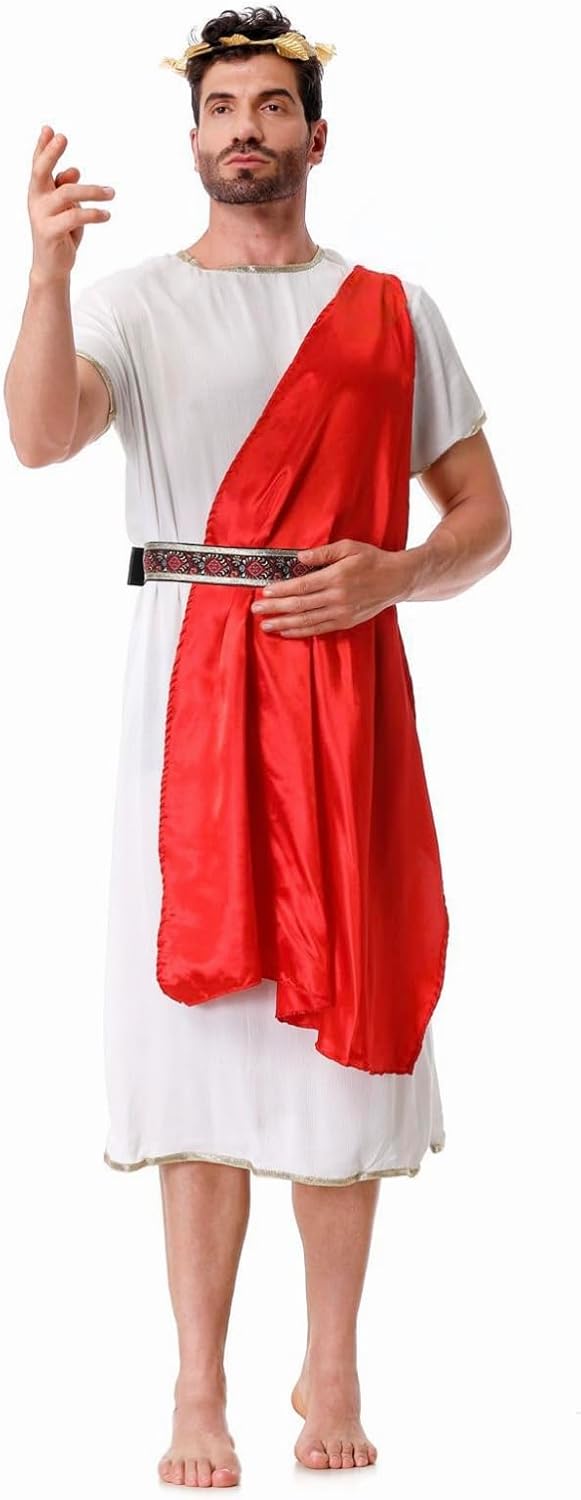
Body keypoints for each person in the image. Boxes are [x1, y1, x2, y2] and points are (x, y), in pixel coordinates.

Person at [4, 5, 512, 1488]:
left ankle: (331, 1362)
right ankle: (197, 1388)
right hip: (187, 709)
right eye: (223, 107)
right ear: (193, 139)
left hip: (343, 696)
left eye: (271, 107)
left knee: (342, 1019)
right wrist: (46, 272)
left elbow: (486, 520)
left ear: (315, 135)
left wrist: (395, 573)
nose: (246, 128)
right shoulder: (134, 302)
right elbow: (40, 437)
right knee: (199, 1037)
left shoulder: (391, 309)